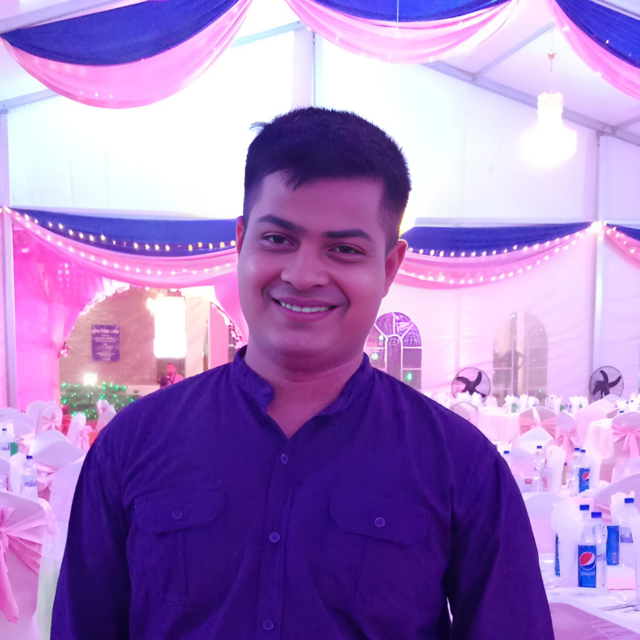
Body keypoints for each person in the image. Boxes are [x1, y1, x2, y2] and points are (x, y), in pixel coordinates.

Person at [52, 108, 553, 639]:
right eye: (278, 240)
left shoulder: (460, 464)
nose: (304, 275)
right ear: (241, 240)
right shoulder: (133, 443)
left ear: (389, 267)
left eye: (344, 250)